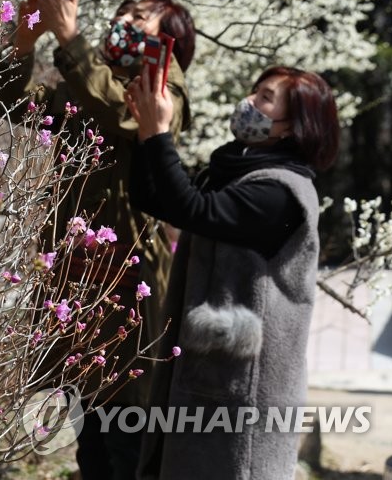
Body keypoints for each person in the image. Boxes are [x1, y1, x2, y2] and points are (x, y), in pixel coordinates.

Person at [0, 0, 196, 480]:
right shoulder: (89, 76)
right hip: (77, 275)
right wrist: (24, 40)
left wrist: (69, 40)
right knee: (90, 430)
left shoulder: (165, 85)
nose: (123, 22)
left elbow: (122, 113)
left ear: (170, 37)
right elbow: (15, 104)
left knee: (127, 425)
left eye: (138, 18)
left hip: (129, 278)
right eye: (123, 12)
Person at [125, 65, 340, 480]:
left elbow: (193, 209)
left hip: (246, 396)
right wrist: (144, 131)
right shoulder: (238, 176)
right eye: (254, 91)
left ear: (294, 127)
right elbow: (154, 197)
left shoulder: (281, 193)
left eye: (265, 97)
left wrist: (159, 135)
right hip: (208, 383)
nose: (250, 103)